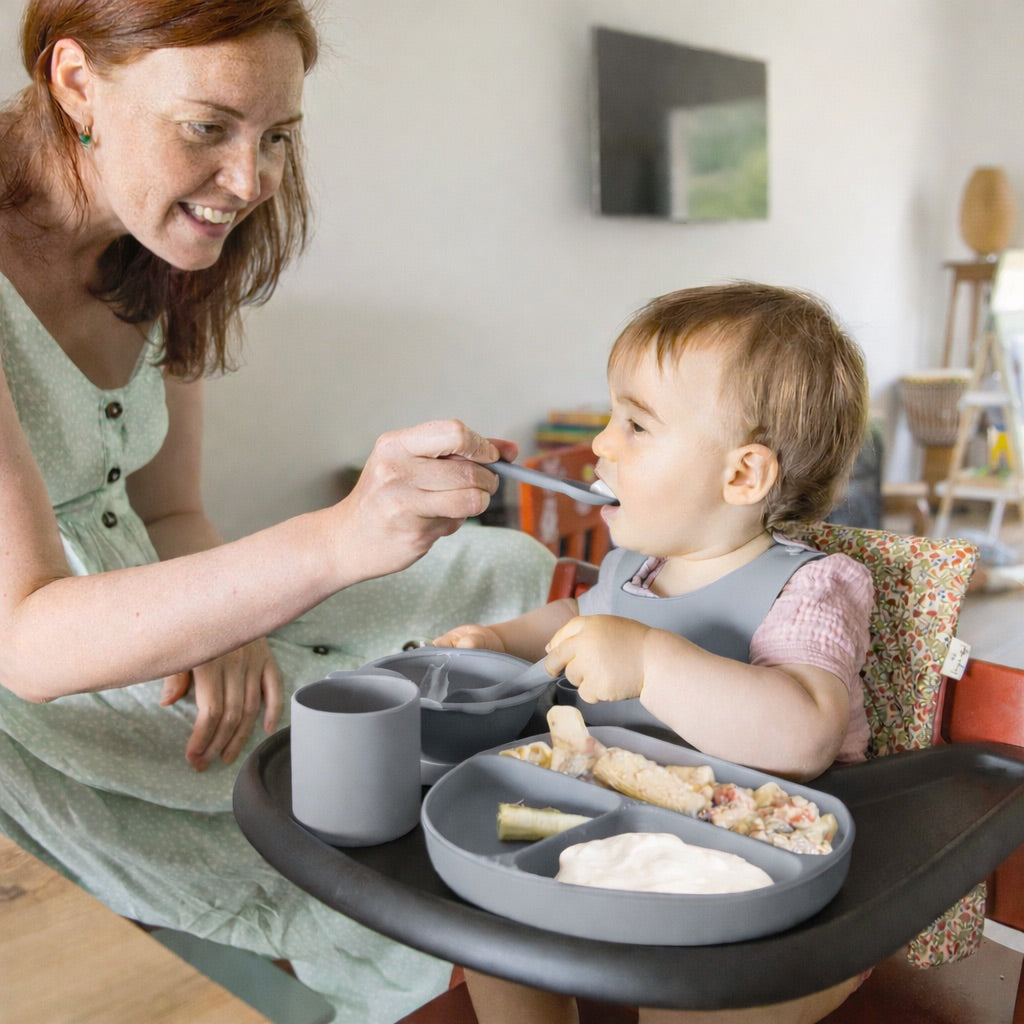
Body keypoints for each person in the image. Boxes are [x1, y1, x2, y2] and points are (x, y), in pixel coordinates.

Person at [0, 2, 554, 1020]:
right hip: (46, 679)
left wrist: (231, 617)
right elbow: (27, 640)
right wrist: (339, 537)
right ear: (77, 82)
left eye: (276, 137)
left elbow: (169, 513)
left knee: (499, 569)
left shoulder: (155, 252)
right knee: (364, 746)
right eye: (208, 127)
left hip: (155, 599)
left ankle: (541, 888)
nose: (250, 184)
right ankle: (494, 910)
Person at [434, 282, 876, 1024]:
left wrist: (650, 661)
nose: (602, 444)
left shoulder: (809, 589)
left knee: (692, 1001)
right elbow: (577, 617)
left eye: (636, 425)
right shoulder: (633, 567)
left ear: (742, 476)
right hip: (608, 824)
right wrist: (500, 640)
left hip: (757, 880)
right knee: (487, 913)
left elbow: (805, 735)